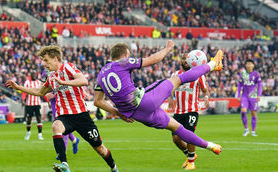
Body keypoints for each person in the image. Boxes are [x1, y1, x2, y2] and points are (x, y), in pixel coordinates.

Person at [94, 40, 223, 165]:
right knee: (178, 79)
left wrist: (118, 113)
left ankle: (211, 146)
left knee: (176, 128)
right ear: (124, 55)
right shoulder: (122, 63)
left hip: (137, 115)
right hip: (145, 101)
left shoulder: (100, 76)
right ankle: (213, 64)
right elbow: (153, 60)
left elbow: (98, 101)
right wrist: (167, 48)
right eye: (128, 55)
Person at [6, 45, 118, 172]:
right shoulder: (52, 77)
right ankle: (65, 164)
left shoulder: (68, 67)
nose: (44, 64)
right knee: (56, 126)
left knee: (100, 149)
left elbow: (83, 81)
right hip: (64, 116)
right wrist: (19, 87)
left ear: (55, 59)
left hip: (81, 115)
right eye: (43, 61)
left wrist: (64, 82)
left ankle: (113, 167)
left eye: (46, 60)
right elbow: (40, 91)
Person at [168, 54, 210, 170]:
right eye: (183, 59)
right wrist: (170, 98)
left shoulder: (198, 76)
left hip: (192, 110)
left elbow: (206, 91)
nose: (184, 61)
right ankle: (190, 155)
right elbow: (169, 88)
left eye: (186, 60)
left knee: (189, 135)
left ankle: (191, 163)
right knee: (176, 138)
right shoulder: (175, 75)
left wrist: (206, 98)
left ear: (191, 61)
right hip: (178, 111)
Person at [45, 91, 80, 160]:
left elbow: (65, 94)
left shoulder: (61, 85)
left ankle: (63, 153)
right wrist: (49, 101)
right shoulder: (52, 85)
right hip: (55, 112)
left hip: (63, 110)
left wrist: (53, 95)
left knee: (63, 132)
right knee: (64, 129)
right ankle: (75, 140)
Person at [237, 59, 262, 137]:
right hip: (244, 96)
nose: (249, 65)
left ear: (253, 65)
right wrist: (238, 95)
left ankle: (253, 131)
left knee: (253, 113)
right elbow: (239, 85)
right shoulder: (242, 74)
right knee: (243, 111)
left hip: (253, 96)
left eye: (250, 64)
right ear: (246, 65)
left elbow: (260, 85)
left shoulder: (256, 74)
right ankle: (246, 129)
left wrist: (259, 94)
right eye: (247, 64)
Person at [22, 71, 44, 140]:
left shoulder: (39, 83)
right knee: (29, 119)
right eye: (32, 74)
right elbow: (24, 92)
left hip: (37, 103)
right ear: (30, 75)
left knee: (39, 118)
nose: (34, 75)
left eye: (35, 74)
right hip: (29, 104)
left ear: (36, 75)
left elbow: (43, 91)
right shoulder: (27, 82)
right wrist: (23, 99)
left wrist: (48, 100)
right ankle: (28, 133)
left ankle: (40, 134)